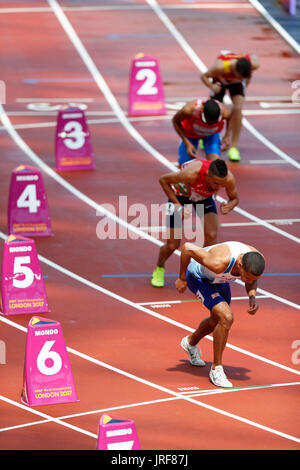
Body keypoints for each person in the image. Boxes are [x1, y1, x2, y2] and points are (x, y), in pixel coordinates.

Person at [175, 240, 265, 387]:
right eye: (247, 278)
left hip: (220, 280)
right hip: (199, 278)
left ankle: (190, 342)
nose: (249, 281)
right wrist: (182, 278)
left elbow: (252, 279)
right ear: (239, 265)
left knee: (217, 321)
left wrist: (252, 295)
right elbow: (187, 248)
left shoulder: (256, 258)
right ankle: (216, 368)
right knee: (226, 317)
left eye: (253, 279)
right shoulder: (219, 262)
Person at [151, 158, 239, 288]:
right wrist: (177, 206)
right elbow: (163, 180)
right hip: (180, 197)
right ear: (207, 175)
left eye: (221, 184)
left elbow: (234, 198)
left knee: (211, 236)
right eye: (215, 183)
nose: (218, 187)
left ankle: (201, 273)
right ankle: (159, 267)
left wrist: (230, 205)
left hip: (204, 199)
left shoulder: (228, 178)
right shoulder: (190, 173)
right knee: (172, 245)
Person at [201, 51, 259, 162]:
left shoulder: (253, 65)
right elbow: (203, 76)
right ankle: (205, 133)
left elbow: (255, 57)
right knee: (213, 108)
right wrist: (212, 86)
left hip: (235, 84)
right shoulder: (219, 67)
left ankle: (233, 147)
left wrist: (246, 81)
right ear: (236, 71)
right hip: (220, 80)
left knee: (238, 108)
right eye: (240, 77)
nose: (242, 79)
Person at [172, 98, 232, 166]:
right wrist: (187, 142)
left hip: (211, 135)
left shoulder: (225, 113)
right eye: (207, 122)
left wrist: (227, 136)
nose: (209, 125)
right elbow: (175, 121)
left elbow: (231, 118)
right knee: (184, 165)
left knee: (214, 164)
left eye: (214, 123)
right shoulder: (188, 110)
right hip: (191, 134)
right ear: (201, 111)